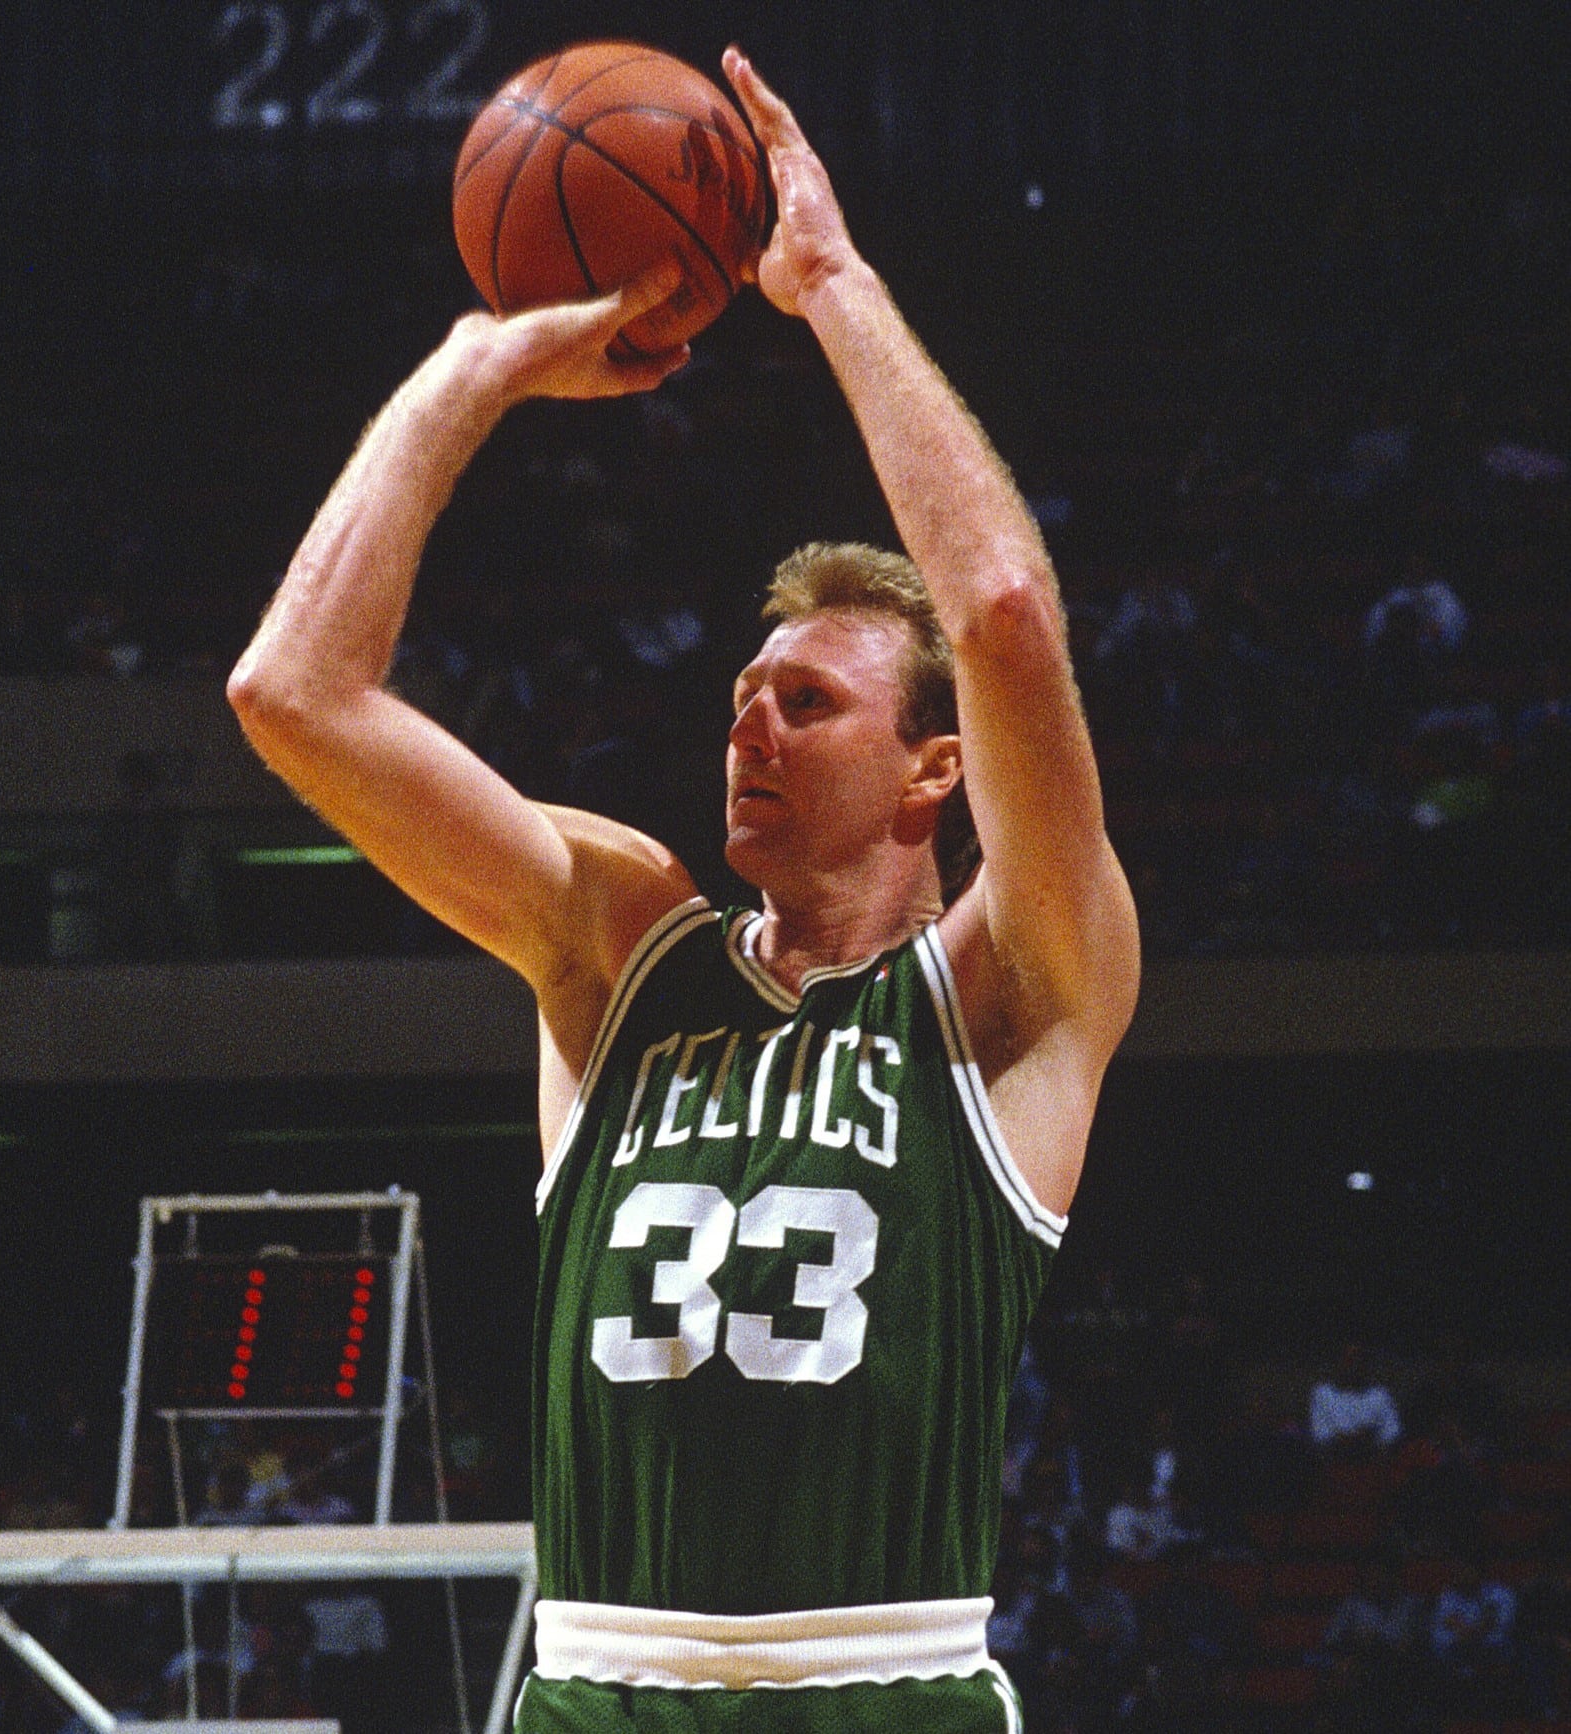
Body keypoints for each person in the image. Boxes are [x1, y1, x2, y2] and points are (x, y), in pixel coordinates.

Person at [227, 48, 1137, 1733]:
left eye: (808, 700)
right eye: (739, 691)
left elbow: (1002, 611)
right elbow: (293, 694)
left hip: (883, 1678)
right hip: (599, 1683)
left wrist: (829, 287)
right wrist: (467, 373)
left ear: (933, 770)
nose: (749, 718)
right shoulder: (615, 940)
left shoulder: (1011, 986)